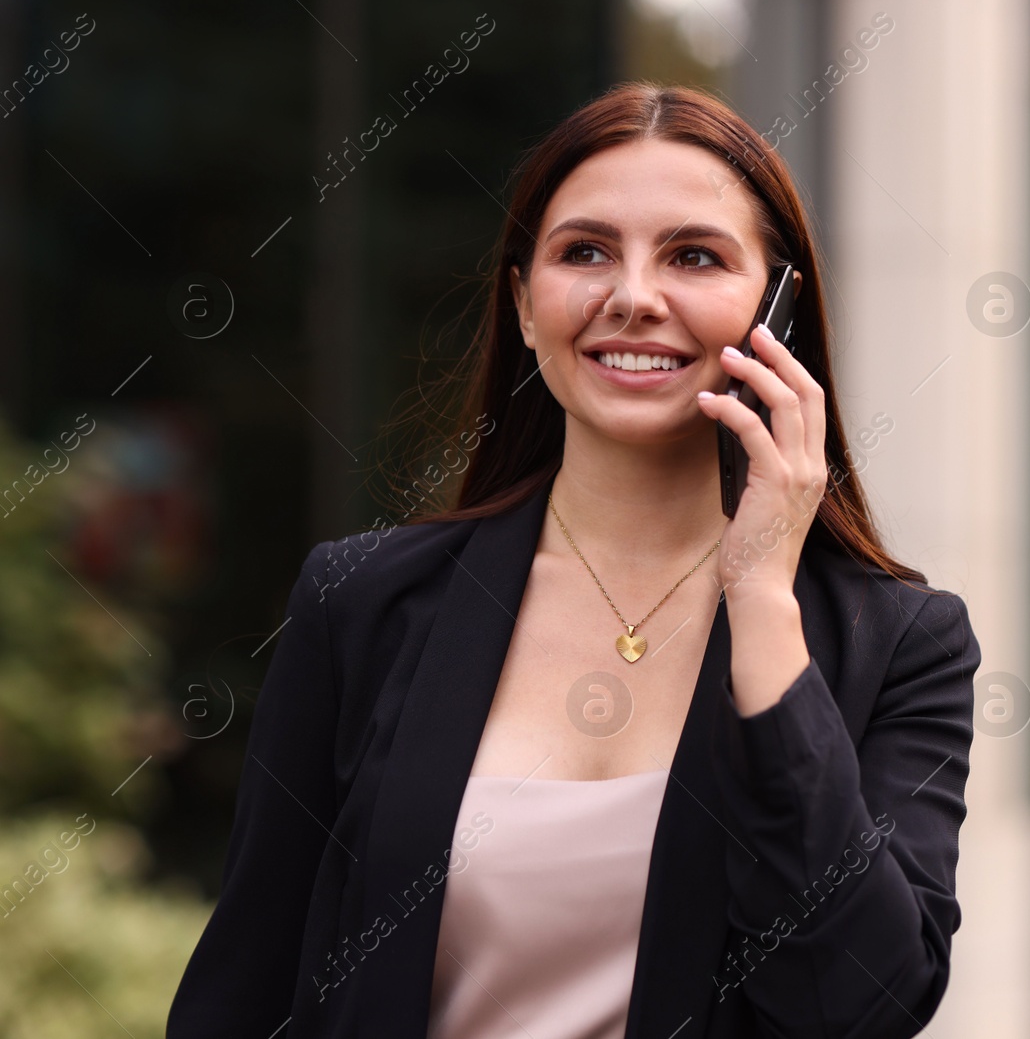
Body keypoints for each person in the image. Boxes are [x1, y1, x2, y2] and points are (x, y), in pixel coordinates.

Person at [166, 82, 981, 1039]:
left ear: (779, 310)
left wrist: (760, 600)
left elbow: (861, 1005)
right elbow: (242, 991)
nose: (633, 298)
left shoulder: (900, 645)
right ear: (522, 303)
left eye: (695, 255)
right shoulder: (362, 603)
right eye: (585, 251)